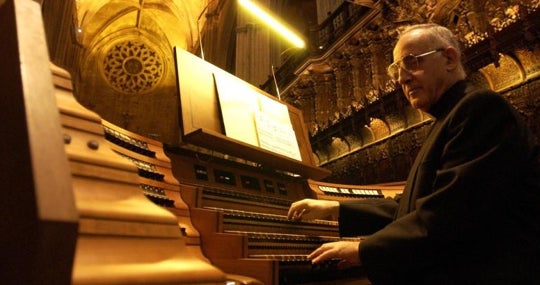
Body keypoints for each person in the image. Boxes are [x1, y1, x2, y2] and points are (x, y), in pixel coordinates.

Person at [288, 23, 540, 285]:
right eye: (397, 69)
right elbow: (409, 208)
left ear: (449, 59)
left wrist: (363, 250)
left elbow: (449, 216)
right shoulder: (449, 117)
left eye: (411, 62)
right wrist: (336, 209)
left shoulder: (480, 109)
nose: (402, 78)